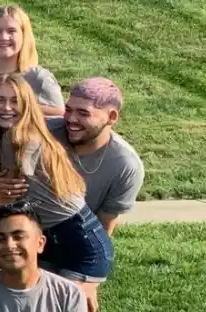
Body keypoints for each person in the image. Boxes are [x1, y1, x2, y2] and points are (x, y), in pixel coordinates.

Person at [0, 76, 113, 312]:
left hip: (80, 241)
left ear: (28, 104)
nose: (6, 107)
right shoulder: (24, 132)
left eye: (15, 101)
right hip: (55, 237)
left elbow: (13, 199)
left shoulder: (19, 138)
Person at [53, 78, 144, 235]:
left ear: (112, 117)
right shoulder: (44, 132)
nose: (71, 119)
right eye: (68, 110)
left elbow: (102, 230)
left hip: (73, 240)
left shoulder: (125, 166)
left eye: (83, 113)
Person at [0, 5, 66, 116]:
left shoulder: (39, 78)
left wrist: (18, 106)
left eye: (11, 31)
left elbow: (60, 115)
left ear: (24, 36)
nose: (4, 37)